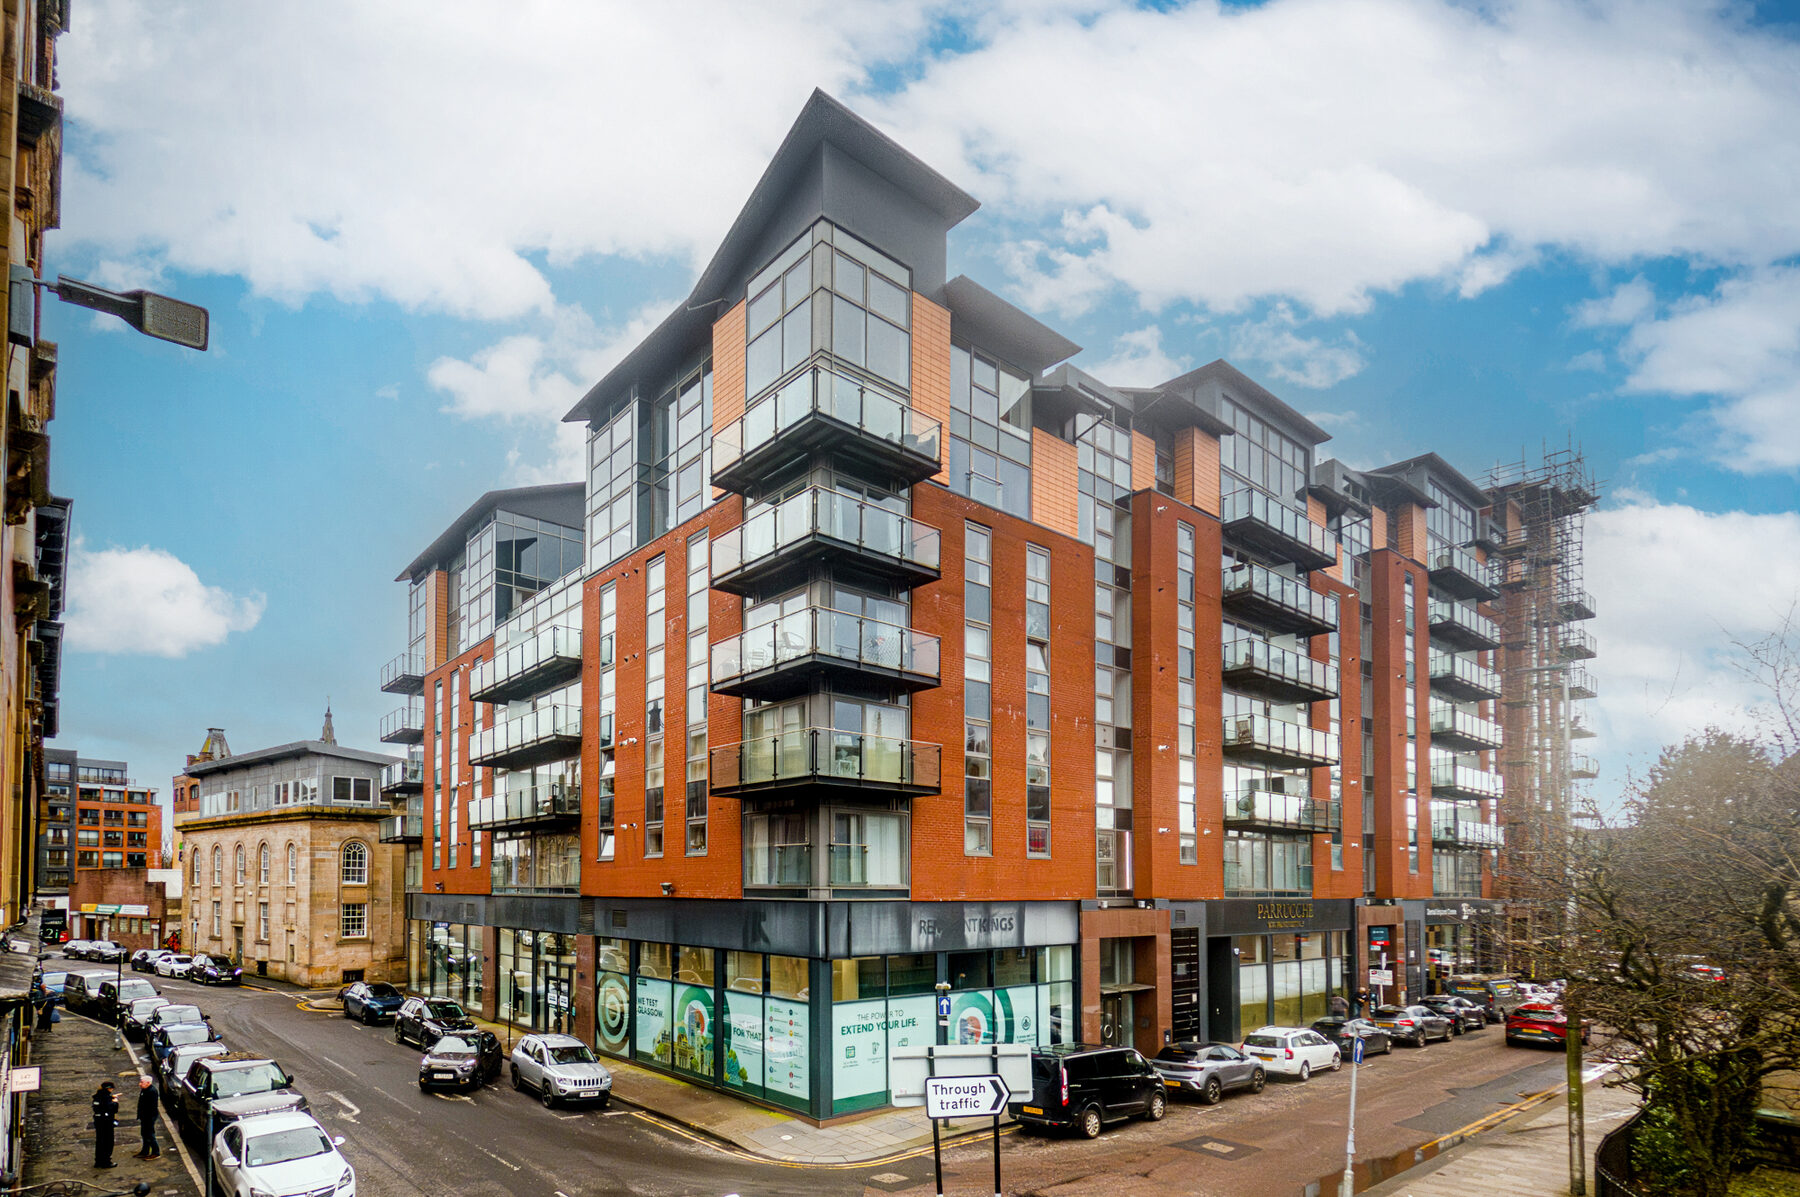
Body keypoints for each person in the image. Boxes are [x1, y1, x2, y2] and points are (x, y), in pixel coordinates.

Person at [91, 1080, 118, 1169]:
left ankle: (98, 1161)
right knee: (108, 1142)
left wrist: (111, 1098)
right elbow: (112, 1109)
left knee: (100, 1141)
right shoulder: (106, 1098)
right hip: (106, 1122)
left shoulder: (98, 1096)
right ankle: (106, 1162)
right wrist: (115, 1102)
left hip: (98, 1121)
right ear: (110, 1089)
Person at [132, 1075, 160, 1160]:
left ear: (148, 1083)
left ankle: (155, 1152)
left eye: (142, 1082)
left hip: (149, 1117)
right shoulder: (145, 1090)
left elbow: (151, 1107)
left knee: (150, 1135)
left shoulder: (152, 1091)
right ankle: (145, 1151)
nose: (140, 1084)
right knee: (144, 1134)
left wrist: (147, 1118)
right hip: (145, 1117)